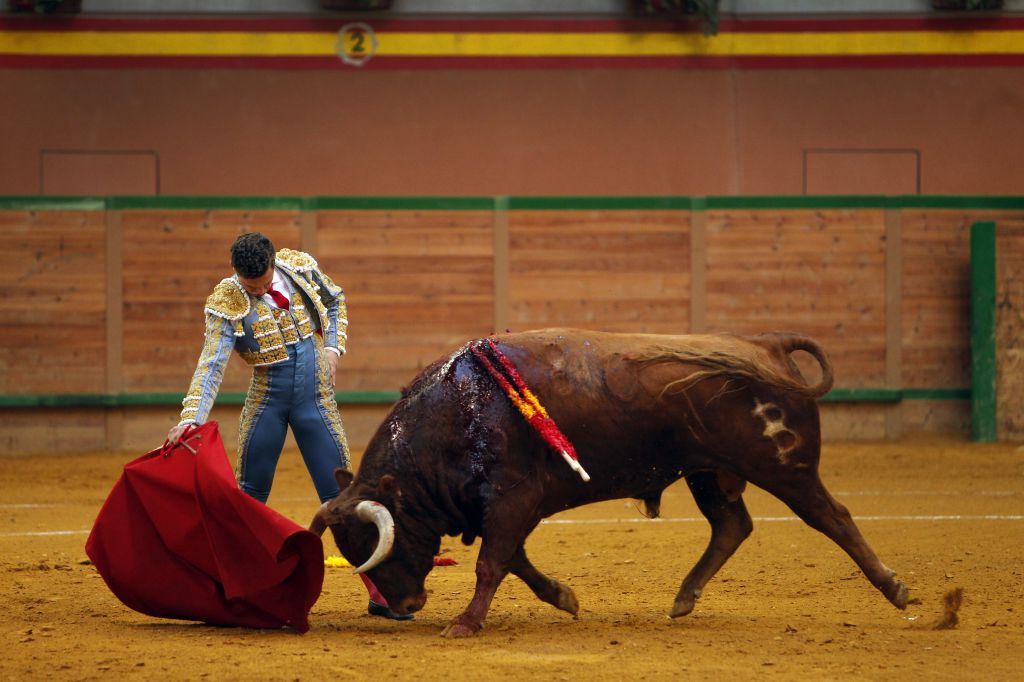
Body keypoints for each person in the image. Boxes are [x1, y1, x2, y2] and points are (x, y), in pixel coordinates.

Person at [166, 232, 410, 621]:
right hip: (268, 402)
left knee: (342, 494)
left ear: (273, 262)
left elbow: (334, 300)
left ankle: (380, 590)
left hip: (316, 400)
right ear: (236, 275)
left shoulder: (298, 267)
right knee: (250, 494)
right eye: (252, 287)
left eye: (264, 283)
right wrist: (190, 418)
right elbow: (211, 364)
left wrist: (332, 346)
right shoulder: (226, 301)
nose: (260, 291)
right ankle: (235, 588)